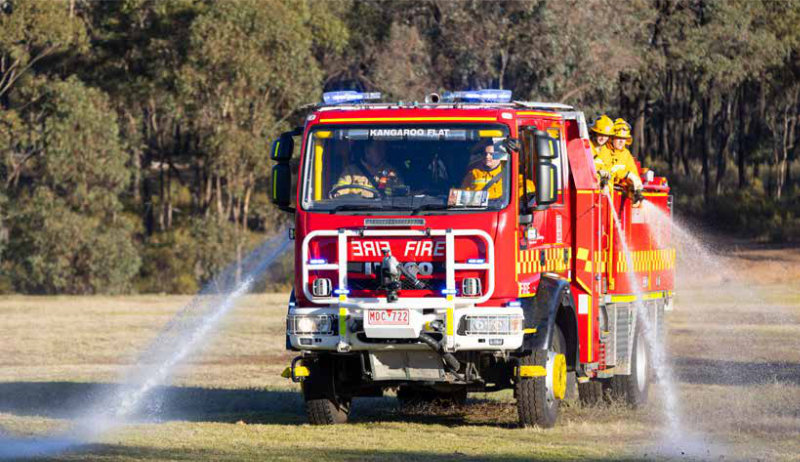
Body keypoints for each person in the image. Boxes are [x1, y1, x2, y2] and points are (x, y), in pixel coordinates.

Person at [461, 140, 534, 200]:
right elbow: (463, 195)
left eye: (491, 154)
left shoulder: (509, 172)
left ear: (500, 155)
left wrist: (513, 197)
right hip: (482, 211)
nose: (487, 156)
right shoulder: (473, 173)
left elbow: (529, 187)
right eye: (485, 154)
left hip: (502, 209)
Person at [333, 142, 403, 198]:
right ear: (367, 151)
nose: (381, 151)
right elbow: (339, 194)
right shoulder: (350, 171)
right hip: (357, 209)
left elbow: (401, 194)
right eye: (377, 148)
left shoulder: (391, 171)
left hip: (384, 210)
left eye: (383, 147)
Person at [606, 118, 644, 204]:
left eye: (624, 138)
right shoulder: (605, 151)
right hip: (606, 194)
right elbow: (608, 171)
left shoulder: (626, 154)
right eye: (618, 138)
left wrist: (635, 189)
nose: (621, 141)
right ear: (612, 138)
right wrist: (626, 174)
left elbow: (633, 172)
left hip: (618, 197)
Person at [589, 115, 614, 186]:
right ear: (594, 133)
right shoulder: (586, 147)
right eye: (600, 134)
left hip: (603, 189)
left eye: (606, 135)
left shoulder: (606, 151)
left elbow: (610, 171)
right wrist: (598, 173)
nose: (603, 138)